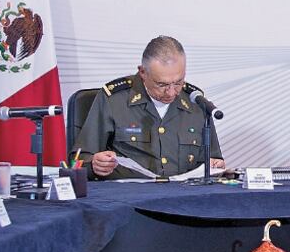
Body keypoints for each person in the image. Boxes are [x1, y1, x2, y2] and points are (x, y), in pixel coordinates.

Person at [74, 35, 225, 179]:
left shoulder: (195, 102)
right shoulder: (114, 100)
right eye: (162, 84)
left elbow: (213, 160)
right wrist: (94, 165)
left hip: (183, 197)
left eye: (178, 82)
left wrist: (216, 166)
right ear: (143, 72)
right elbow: (77, 160)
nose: (172, 92)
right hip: (128, 198)